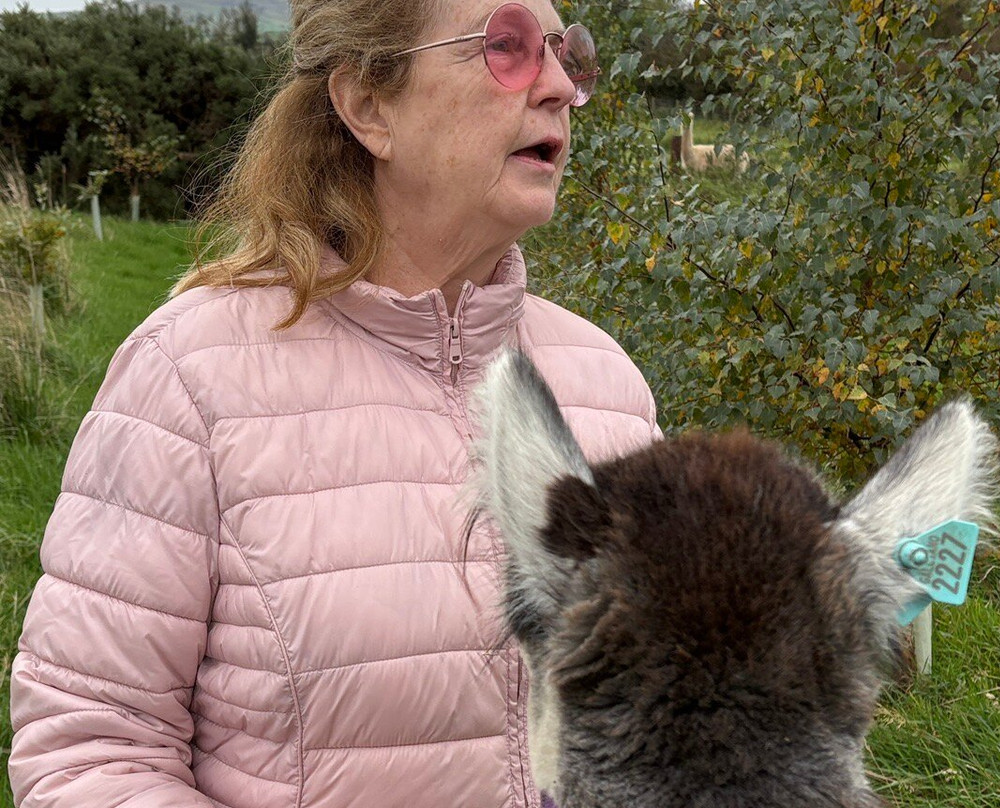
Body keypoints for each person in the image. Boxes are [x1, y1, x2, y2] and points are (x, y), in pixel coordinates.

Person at [7, 0, 662, 805]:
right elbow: (91, 750)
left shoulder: (610, 387)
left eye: (568, 52)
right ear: (367, 106)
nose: (562, 84)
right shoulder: (188, 379)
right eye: (510, 47)